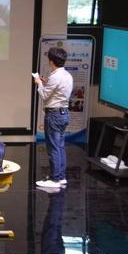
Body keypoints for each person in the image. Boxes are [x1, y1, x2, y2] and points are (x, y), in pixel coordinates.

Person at [34, 47, 73, 189]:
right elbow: (57, 90)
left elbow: (45, 96)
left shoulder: (55, 76)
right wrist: (46, 82)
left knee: (53, 148)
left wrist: (39, 83)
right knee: (60, 146)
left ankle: (54, 179)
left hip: (54, 115)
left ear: (51, 61)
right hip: (63, 113)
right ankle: (61, 177)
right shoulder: (67, 75)